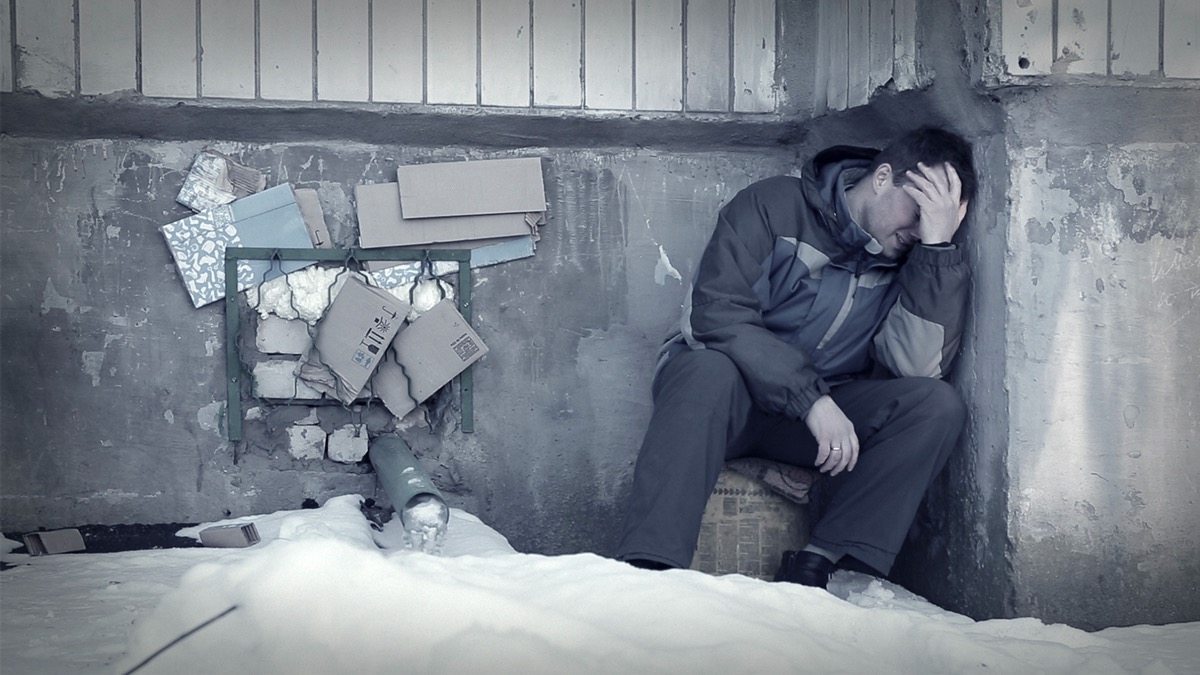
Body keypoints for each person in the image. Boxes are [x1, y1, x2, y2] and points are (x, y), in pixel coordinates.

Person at [614, 126, 976, 589]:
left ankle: (820, 564)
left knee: (936, 405)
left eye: (934, 222)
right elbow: (718, 315)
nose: (917, 230)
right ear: (883, 177)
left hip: (813, 427)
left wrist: (936, 252)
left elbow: (917, 368)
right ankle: (650, 569)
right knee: (705, 367)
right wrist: (810, 399)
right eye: (919, 212)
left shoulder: (912, 258)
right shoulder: (773, 205)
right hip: (723, 402)